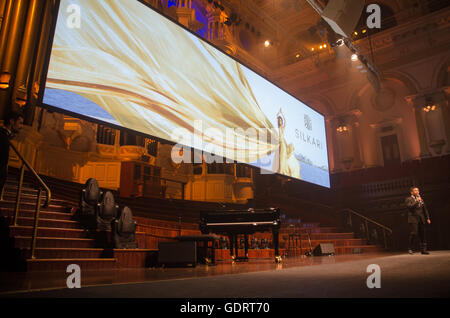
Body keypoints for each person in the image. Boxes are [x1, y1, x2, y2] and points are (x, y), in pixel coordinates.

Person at [0, 111, 24, 200]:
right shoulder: (2, 136)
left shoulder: (5, 136)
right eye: (20, 123)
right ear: (11, 121)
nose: (21, 127)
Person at [405, 186, 431, 255]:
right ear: (412, 192)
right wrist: (417, 201)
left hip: (421, 219)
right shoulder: (408, 199)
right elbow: (410, 207)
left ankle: (423, 250)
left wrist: (428, 218)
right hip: (413, 219)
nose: (417, 191)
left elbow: (424, 209)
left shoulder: (421, 199)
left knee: (423, 234)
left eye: (418, 190)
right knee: (414, 233)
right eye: (415, 190)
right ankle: (410, 248)